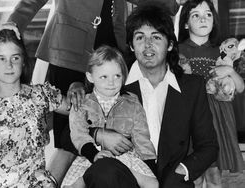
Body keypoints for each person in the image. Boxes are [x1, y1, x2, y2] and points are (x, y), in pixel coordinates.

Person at [0, 0, 181, 185]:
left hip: (112, 50)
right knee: (68, 141)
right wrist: (14, 22)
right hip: (69, 51)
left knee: (119, 129)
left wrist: (171, 3)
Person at [80, 3, 219, 188]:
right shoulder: (114, 82)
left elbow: (208, 146)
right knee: (103, 171)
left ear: (169, 44)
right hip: (127, 175)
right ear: (131, 45)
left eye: (156, 37)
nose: (148, 45)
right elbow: (71, 129)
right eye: (140, 37)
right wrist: (99, 134)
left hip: (173, 178)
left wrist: (182, 171)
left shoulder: (192, 87)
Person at [0, 29, 69, 187]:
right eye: (0, 59)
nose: (9, 65)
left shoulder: (41, 95)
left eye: (15, 57)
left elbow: (84, 112)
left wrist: (78, 86)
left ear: (24, 61)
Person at [61, 45, 158, 188]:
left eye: (117, 76)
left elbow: (142, 137)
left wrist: (150, 165)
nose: (111, 82)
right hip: (89, 158)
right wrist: (93, 154)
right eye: (104, 76)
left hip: (124, 158)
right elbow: (78, 133)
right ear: (90, 76)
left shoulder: (132, 102)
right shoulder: (82, 103)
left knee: (153, 184)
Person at [178, 0, 245, 187]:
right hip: (191, 116)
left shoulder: (222, 52)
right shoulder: (177, 50)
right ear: (185, 23)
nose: (203, 19)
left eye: (208, 14)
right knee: (194, 173)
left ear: (214, 21)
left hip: (218, 116)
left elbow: (240, 87)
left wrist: (230, 72)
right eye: (195, 15)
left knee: (214, 173)